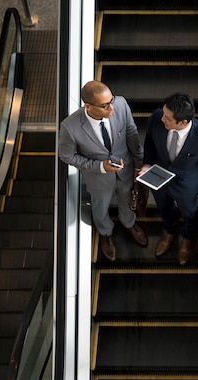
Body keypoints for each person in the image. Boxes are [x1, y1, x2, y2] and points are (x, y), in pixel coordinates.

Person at [59, 80, 148, 261]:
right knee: (100, 207)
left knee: (126, 198)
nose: (111, 109)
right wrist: (99, 166)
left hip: (126, 170)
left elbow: (131, 133)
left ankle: (129, 223)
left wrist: (139, 164)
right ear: (88, 106)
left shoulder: (120, 104)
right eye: (105, 105)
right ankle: (106, 233)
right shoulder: (70, 126)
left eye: (111, 101)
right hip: (98, 178)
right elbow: (67, 156)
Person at [141, 92, 198, 265]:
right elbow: (149, 140)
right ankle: (169, 230)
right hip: (159, 176)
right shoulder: (156, 118)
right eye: (163, 114)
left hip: (186, 184)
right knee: (163, 207)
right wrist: (147, 163)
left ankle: (187, 238)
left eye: (167, 118)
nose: (162, 119)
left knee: (190, 213)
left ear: (183, 122)